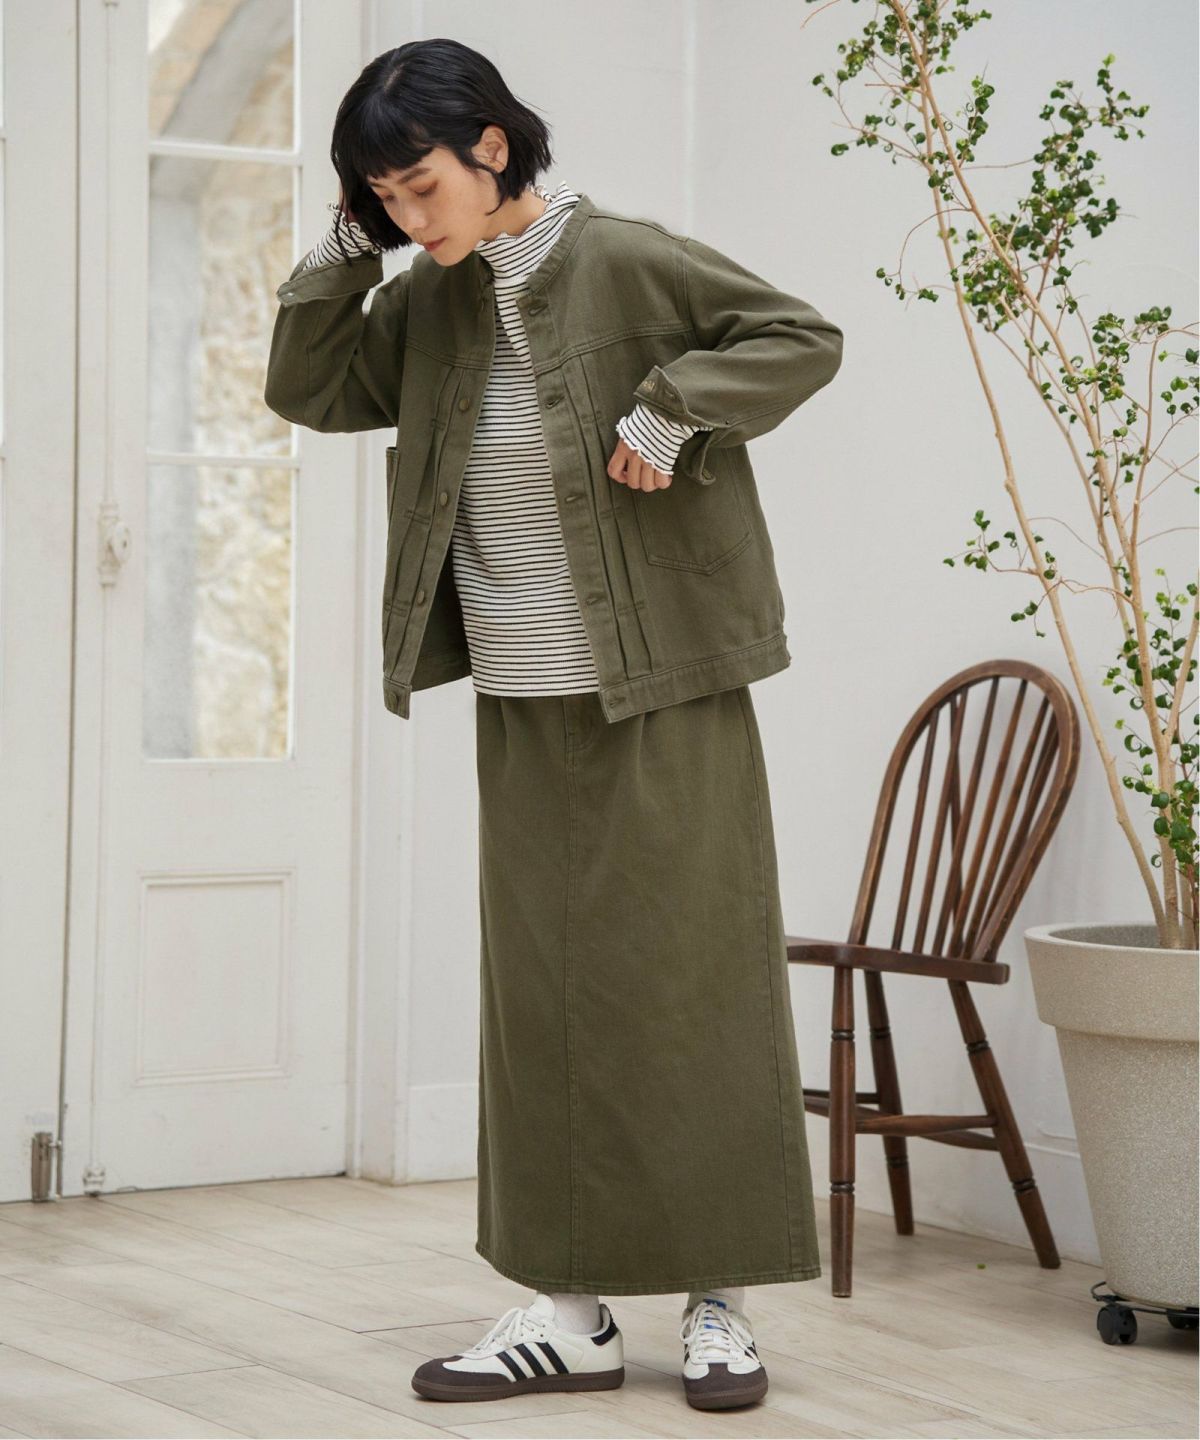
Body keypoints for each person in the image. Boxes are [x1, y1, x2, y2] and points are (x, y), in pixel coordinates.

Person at [265, 36, 843, 1414]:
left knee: (694, 989)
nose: (411, 218)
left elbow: (800, 336)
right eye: (384, 198)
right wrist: (345, 251)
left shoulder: (629, 260)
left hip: (666, 683)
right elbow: (312, 389)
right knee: (543, 1010)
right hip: (523, 694)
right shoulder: (429, 298)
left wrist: (676, 409)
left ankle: (718, 1302)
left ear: (493, 148)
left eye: (419, 188)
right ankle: (570, 1311)